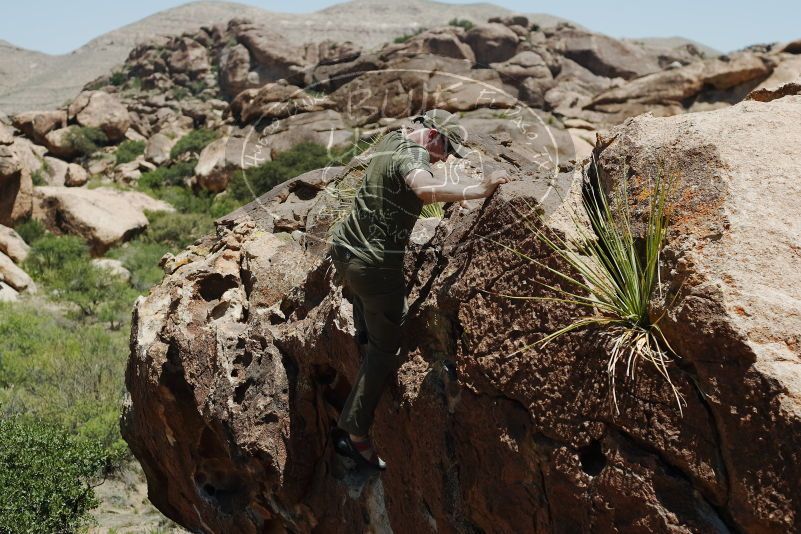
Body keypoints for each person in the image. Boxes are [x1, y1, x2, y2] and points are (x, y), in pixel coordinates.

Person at [327, 109, 509, 471]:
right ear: (431, 136)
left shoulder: (390, 139)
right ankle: (355, 432)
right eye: (444, 150)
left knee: (372, 311)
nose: (442, 159)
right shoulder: (414, 155)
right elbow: (424, 189)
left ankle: (365, 334)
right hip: (374, 266)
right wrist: (479, 189)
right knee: (387, 347)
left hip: (343, 249)